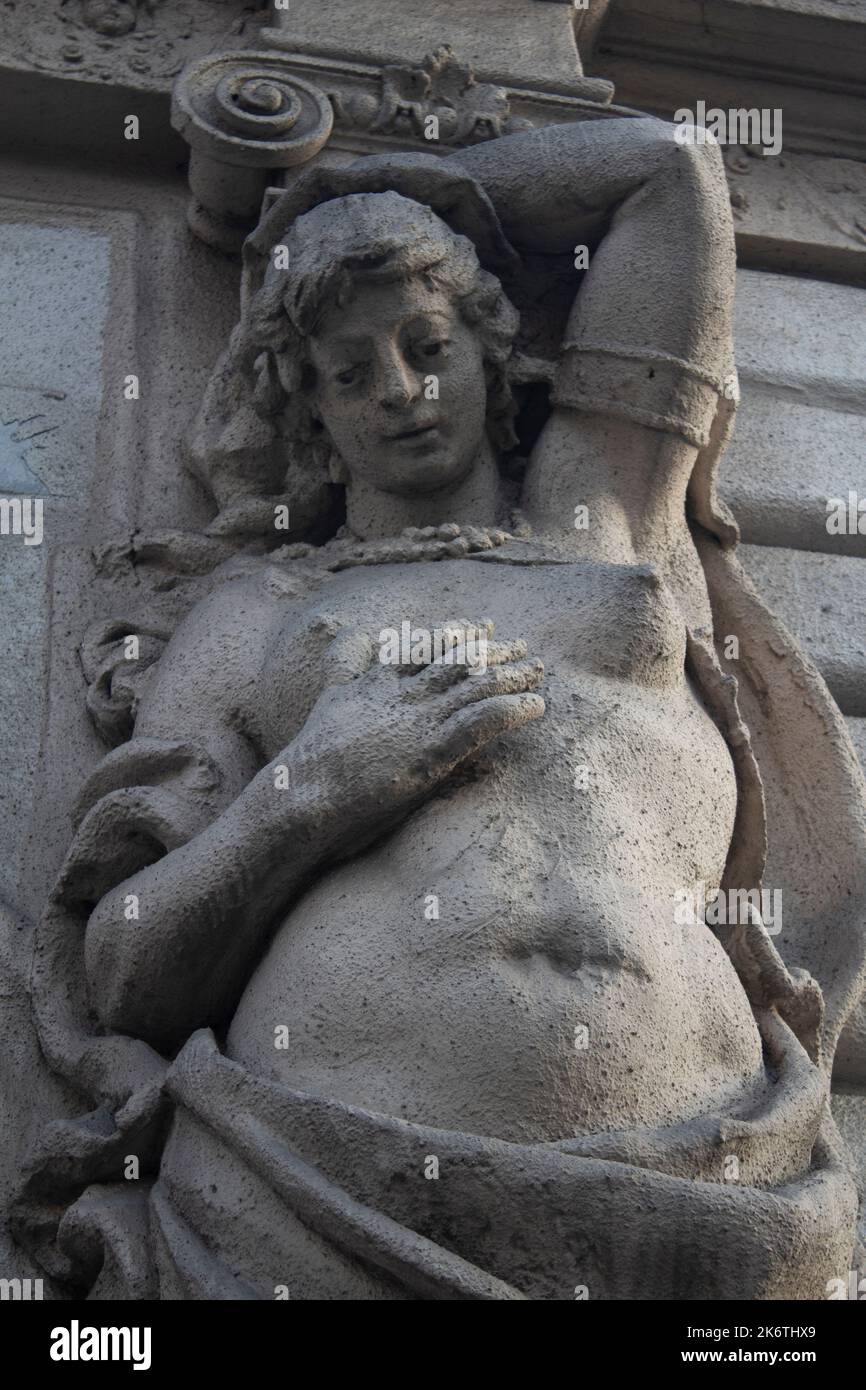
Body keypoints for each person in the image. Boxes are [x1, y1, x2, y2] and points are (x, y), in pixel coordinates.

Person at [16, 117, 866, 1299]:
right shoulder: (261, 607)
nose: (399, 394)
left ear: (491, 344)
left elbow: (668, 176)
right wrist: (315, 787)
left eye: (426, 345)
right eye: (348, 374)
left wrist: (364, 187)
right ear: (306, 407)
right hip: (328, 1180)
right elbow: (125, 964)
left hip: (712, 1191)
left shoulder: (604, 524)